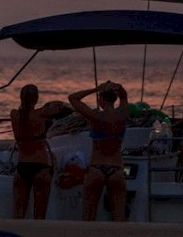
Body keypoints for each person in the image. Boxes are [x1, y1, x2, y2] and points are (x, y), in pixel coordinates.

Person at [68, 81, 129, 221]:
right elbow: (124, 96)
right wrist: (118, 87)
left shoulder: (95, 117)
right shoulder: (123, 114)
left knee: (88, 218)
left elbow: (73, 98)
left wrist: (96, 88)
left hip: (97, 168)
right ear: (115, 99)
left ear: (101, 99)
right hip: (117, 169)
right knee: (119, 218)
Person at [10, 83, 64, 219]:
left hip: (22, 167)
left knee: (18, 216)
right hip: (41, 166)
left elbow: (26, 114)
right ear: (36, 99)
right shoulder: (42, 113)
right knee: (39, 217)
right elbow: (61, 108)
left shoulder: (14, 114)